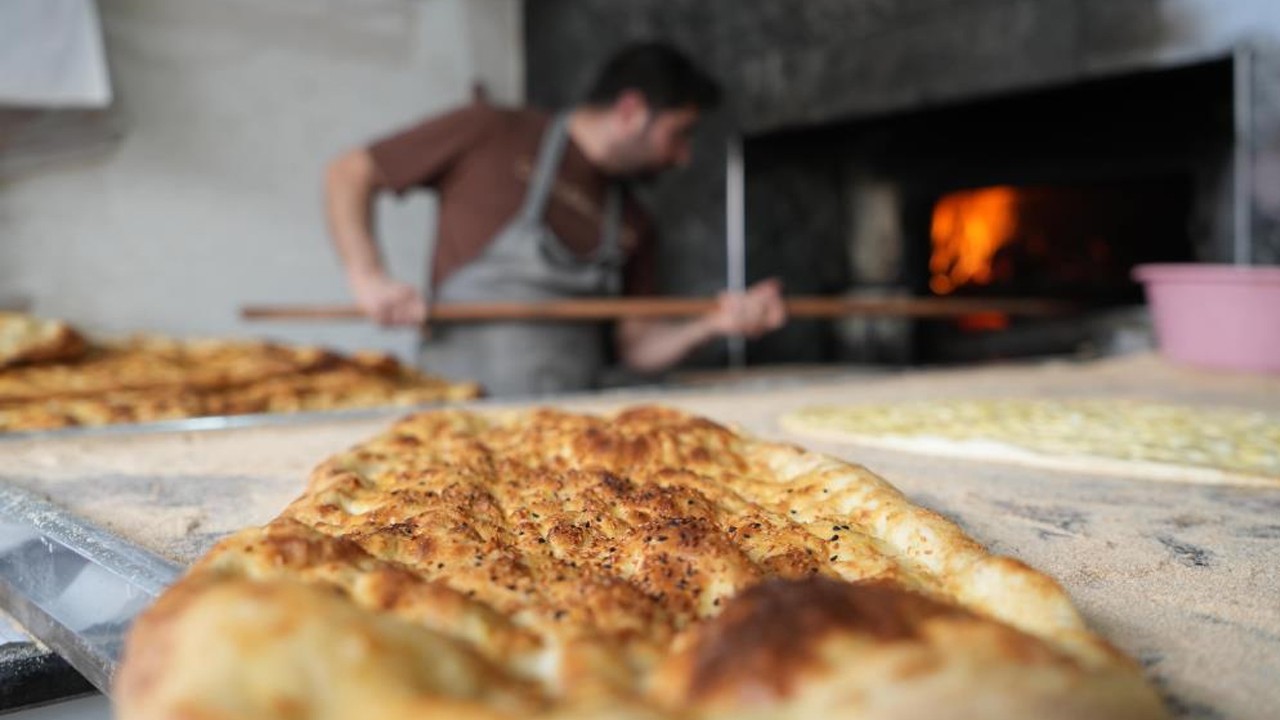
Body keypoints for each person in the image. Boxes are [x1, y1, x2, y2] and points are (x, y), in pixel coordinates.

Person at [324, 42, 786, 397]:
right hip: (455, 416)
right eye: (679, 134)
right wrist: (369, 277)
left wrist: (713, 324)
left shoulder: (633, 220)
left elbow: (639, 347)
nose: (683, 157)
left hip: (568, 434)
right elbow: (351, 172)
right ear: (631, 112)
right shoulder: (492, 131)